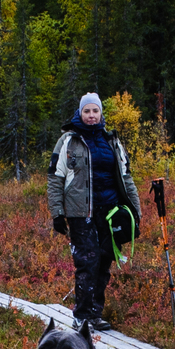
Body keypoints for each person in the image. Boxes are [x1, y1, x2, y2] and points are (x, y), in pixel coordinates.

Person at [47, 91, 142, 331]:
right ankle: (82, 316)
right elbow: (55, 178)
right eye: (87, 111)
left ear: (101, 114)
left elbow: (126, 177)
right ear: (80, 113)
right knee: (87, 263)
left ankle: (95, 314)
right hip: (81, 213)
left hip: (109, 212)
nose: (91, 115)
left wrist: (135, 211)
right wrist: (57, 212)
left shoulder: (112, 141)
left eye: (95, 111)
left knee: (104, 262)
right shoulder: (69, 141)